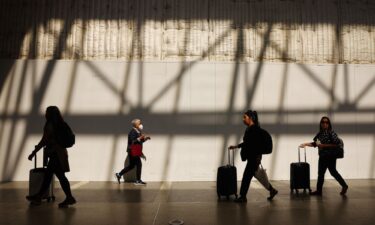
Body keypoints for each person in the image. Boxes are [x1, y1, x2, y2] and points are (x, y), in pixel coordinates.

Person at [26, 106, 76, 208]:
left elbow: (43, 141)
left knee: (51, 176)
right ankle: (69, 198)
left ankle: (39, 197)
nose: (45, 113)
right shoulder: (61, 124)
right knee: (57, 176)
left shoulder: (49, 125)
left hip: (55, 155)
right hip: (61, 154)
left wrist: (33, 152)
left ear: (49, 114)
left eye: (46, 112)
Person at [229, 110, 278, 202]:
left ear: (250, 118)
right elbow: (247, 143)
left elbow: (255, 145)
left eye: (245, 117)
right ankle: (272, 190)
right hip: (253, 158)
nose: (243, 119)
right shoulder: (250, 129)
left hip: (254, 158)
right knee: (260, 177)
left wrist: (258, 157)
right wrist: (236, 146)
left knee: (246, 177)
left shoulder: (254, 130)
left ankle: (243, 197)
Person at [300, 116, 348, 196]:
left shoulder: (331, 132)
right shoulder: (320, 134)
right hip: (322, 156)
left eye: (326, 122)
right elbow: (316, 144)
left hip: (330, 156)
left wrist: (324, 145)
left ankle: (344, 186)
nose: (324, 124)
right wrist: (306, 144)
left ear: (329, 124)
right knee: (321, 173)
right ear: (321, 124)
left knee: (333, 172)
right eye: (323, 122)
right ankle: (319, 191)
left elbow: (336, 144)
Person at [115, 119, 150, 185]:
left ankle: (119, 174)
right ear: (136, 125)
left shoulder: (137, 131)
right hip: (133, 150)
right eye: (139, 123)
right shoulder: (132, 132)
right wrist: (140, 138)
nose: (141, 125)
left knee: (131, 166)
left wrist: (145, 139)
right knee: (139, 164)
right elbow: (132, 141)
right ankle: (138, 180)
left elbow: (139, 141)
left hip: (135, 150)